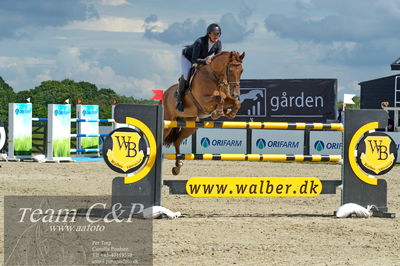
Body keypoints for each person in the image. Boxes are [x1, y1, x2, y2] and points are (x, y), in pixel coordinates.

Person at [176, 23, 222, 112]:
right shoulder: (200, 41)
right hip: (188, 57)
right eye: (214, 34)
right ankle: (179, 99)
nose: (216, 36)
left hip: (202, 58)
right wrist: (205, 61)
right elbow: (194, 60)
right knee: (186, 75)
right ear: (209, 34)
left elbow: (217, 58)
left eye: (218, 34)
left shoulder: (218, 44)